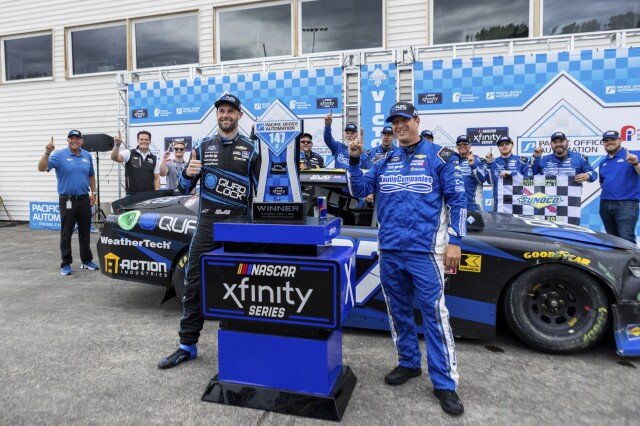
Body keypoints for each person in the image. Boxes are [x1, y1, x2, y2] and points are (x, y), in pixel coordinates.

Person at [347, 101, 466, 416]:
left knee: (435, 316)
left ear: (417, 120)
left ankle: (445, 383)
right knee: (398, 311)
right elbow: (359, 190)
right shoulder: (385, 159)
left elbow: (459, 200)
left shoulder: (441, 157)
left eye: (404, 120)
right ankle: (409, 363)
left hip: (426, 252)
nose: (399, 126)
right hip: (390, 250)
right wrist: (354, 158)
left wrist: (456, 240)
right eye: (394, 122)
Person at [158, 94, 260, 369]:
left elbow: (261, 191)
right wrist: (189, 174)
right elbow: (182, 187)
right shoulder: (203, 147)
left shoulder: (253, 150)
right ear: (217, 115)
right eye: (221, 111)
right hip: (207, 224)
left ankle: (238, 345)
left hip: (239, 226)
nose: (225, 115)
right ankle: (186, 345)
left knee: (240, 285)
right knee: (194, 284)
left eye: (230, 111)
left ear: (239, 115)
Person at [37, 130, 100, 275]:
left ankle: (86, 261)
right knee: (66, 233)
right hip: (67, 200)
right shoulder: (59, 155)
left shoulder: (87, 155)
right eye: (71, 138)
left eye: (77, 138)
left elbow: (91, 175)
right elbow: (41, 168)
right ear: (68, 140)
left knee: (85, 232)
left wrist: (94, 193)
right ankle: (66, 263)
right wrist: (47, 153)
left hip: (84, 199)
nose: (74, 140)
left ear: (82, 141)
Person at [598, 130, 640, 244]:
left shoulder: (634, 154)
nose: (609, 142)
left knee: (626, 240)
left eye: (613, 139)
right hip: (605, 205)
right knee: (612, 240)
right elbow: (602, 183)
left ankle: (633, 262)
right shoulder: (603, 162)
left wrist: (636, 163)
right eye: (606, 141)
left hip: (626, 205)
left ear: (620, 140)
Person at [486, 135, 531, 212]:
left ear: (512, 145)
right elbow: (490, 181)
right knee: (499, 224)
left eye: (507, 143)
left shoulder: (522, 160)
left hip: (517, 201)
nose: (504, 146)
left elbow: (529, 179)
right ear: (498, 147)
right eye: (501, 144)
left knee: (517, 224)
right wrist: (489, 163)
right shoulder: (493, 162)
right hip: (499, 203)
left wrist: (511, 173)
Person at [531, 132, 597, 183]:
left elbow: (593, 173)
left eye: (561, 141)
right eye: (555, 142)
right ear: (551, 144)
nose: (558, 144)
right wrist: (535, 158)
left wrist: (588, 175)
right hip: (548, 199)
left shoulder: (579, 158)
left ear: (567, 142)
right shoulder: (543, 160)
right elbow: (529, 174)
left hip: (571, 199)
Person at [111, 130, 160, 195]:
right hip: (132, 195)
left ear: (150, 141)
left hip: (149, 195)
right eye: (141, 139)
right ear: (137, 141)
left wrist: (156, 194)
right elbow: (114, 158)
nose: (144, 141)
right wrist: (117, 145)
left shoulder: (154, 158)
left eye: (146, 139)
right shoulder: (129, 153)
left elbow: (156, 178)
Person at [454, 135, 487, 211]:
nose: (462, 145)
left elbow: (482, 179)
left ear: (470, 145)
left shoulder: (477, 160)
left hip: (473, 205)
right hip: (455, 205)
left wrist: (473, 165)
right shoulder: (452, 161)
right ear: (456, 146)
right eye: (459, 144)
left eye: (465, 143)